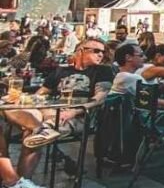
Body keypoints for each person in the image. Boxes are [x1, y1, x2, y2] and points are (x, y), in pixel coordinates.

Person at [7, 37, 115, 179]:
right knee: (10, 109)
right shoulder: (61, 71)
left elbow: (100, 98)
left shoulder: (102, 71)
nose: (101, 54)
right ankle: (41, 129)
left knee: (31, 135)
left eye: (102, 51)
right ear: (81, 51)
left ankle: (19, 183)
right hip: (49, 112)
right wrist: (21, 100)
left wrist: (74, 111)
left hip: (77, 117)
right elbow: (41, 93)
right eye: (96, 51)